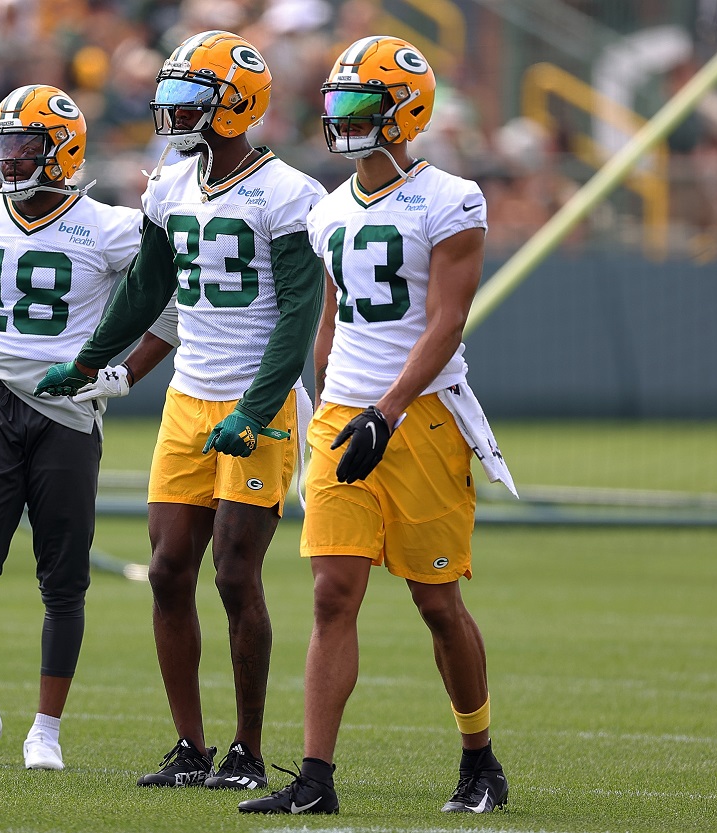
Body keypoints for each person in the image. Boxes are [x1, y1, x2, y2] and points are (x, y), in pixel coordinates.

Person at [35, 30, 326, 791]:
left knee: (235, 573)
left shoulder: (290, 193)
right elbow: (145, 288)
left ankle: (248, 750)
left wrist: (260, 410)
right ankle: (190, 746)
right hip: (189, 397)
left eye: (193, 97)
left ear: (236, 105)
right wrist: (92, 358)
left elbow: (298, 314)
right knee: (168, 570)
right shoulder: (169, 185)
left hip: (254, 401)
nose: (176, 111)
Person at [238, 35, 518, 816]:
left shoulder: (452, 198)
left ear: (406, 111)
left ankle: (479, 756)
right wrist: (332, 404)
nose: (345, 119)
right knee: (332, 591)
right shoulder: (328, 211)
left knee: (436, 601)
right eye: (337, 105)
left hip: (421, 420)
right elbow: (330, 321)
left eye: (362, 103)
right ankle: (315, 777)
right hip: (346, 418)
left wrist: (384, 413)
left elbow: (446, 324)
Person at [0, 84, 143, 770]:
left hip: (67, 413)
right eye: (2, 148)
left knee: (63, 578)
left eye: (22, 148)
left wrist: (123, 372)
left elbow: (164, 303)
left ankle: (45, 728)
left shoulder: (107, 227)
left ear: (62, 149)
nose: (8, 161)